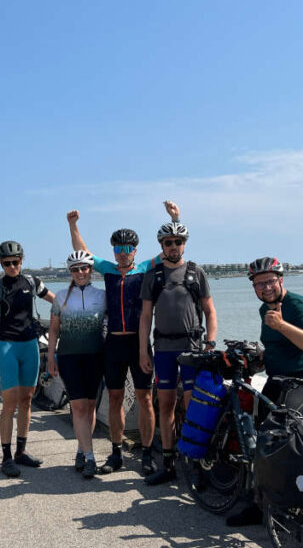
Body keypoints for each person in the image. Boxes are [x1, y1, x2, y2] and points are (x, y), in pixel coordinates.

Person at [65, 201, 179, 475]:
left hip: (139, 343)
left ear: (135, 251)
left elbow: (172, 249)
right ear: (114, 251)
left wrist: (175, 217)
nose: (123, 253)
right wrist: (73, 225)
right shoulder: (109, 270)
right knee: (114, 398)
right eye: (118, 249)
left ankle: (148, 454)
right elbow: (84, 253)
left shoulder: (145, 268)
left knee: (144, 400)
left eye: (128, 249)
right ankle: (116, 453)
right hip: (113, 344)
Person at [227, 256, 303, 526]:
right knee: (259, 437)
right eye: (258, 284)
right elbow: (277, 349)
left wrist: (282, 325)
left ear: (281, 280)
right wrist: (255, 360)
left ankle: (292, 502)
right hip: (278, 379)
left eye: (270, 281)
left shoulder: (299, 305)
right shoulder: (265, 311)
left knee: (279, 431)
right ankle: (258, 503)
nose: (265, 288)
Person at [138, 217, 218, 485]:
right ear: (162, 245)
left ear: (184, 244)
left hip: (192, 348)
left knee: (193, 404)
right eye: (168, 242)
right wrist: (143, 350)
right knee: (166, 405)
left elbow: (209, 311)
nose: (173, 246)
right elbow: (145, 316)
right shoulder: (154, 275)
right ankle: (169, 463)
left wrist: (211, 342)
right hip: (163, 349)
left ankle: (197, 464)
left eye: (178, 242)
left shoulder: (196, 273)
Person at [0, 241, 55, 477]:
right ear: (1, 264)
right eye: (7, 263)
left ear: (22, 260)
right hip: (7, 347)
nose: (12, 266)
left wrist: (82, 309)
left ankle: (21, 452)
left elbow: (56, 300)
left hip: (30, 346)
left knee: (27, 399)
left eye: (15, 262)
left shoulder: (32, 283)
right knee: (9, 402)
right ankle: (6, 457)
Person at [47, 251, 108, 478]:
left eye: (84, 268)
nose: (80, 273)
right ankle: (91, 458)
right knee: (80, 407)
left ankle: (83, 449)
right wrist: (50, 357)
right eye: (75, 269)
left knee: (91, 407)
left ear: (91, 270)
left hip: (95, 357)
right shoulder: (60, 297)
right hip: (69, 358)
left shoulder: (102, 296)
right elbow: (54, 330)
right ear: (70, 272)